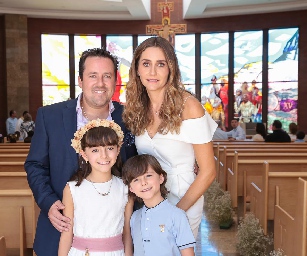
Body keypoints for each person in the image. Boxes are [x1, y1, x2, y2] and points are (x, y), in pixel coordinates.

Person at [25, 48, 137, 256]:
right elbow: (35, 165)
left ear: (115, 81)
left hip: (115, 239)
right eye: (93, 76)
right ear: (80, 80)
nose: (100, 83)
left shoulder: (130, 118)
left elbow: (139, 163)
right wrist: (49, 203)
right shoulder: (50, 116)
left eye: (107, 76)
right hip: (61, 228)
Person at [122, 37, 216, 237]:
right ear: (137, 69)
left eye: (161, 64)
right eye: (146, 64)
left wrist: (175, 214)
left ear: (170, 69)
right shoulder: (138, 107)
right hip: (150, 198)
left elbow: (208, 172)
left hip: (185, 199)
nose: (153, 72)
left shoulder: (189, 106)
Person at [58, 119, 133, 256]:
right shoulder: (72, 189)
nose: (103, 155)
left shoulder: (125, 188)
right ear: (84, 154)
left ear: (118, 150)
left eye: (110, 148)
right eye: (95, 150)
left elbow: (127, 234)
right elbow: (66, 235)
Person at [123, 154, 195, 256]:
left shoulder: (177, 215)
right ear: (131, 188)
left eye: (148, 175)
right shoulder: (135, 217)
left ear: (161, 178)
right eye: (136, 179)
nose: (143, 182)